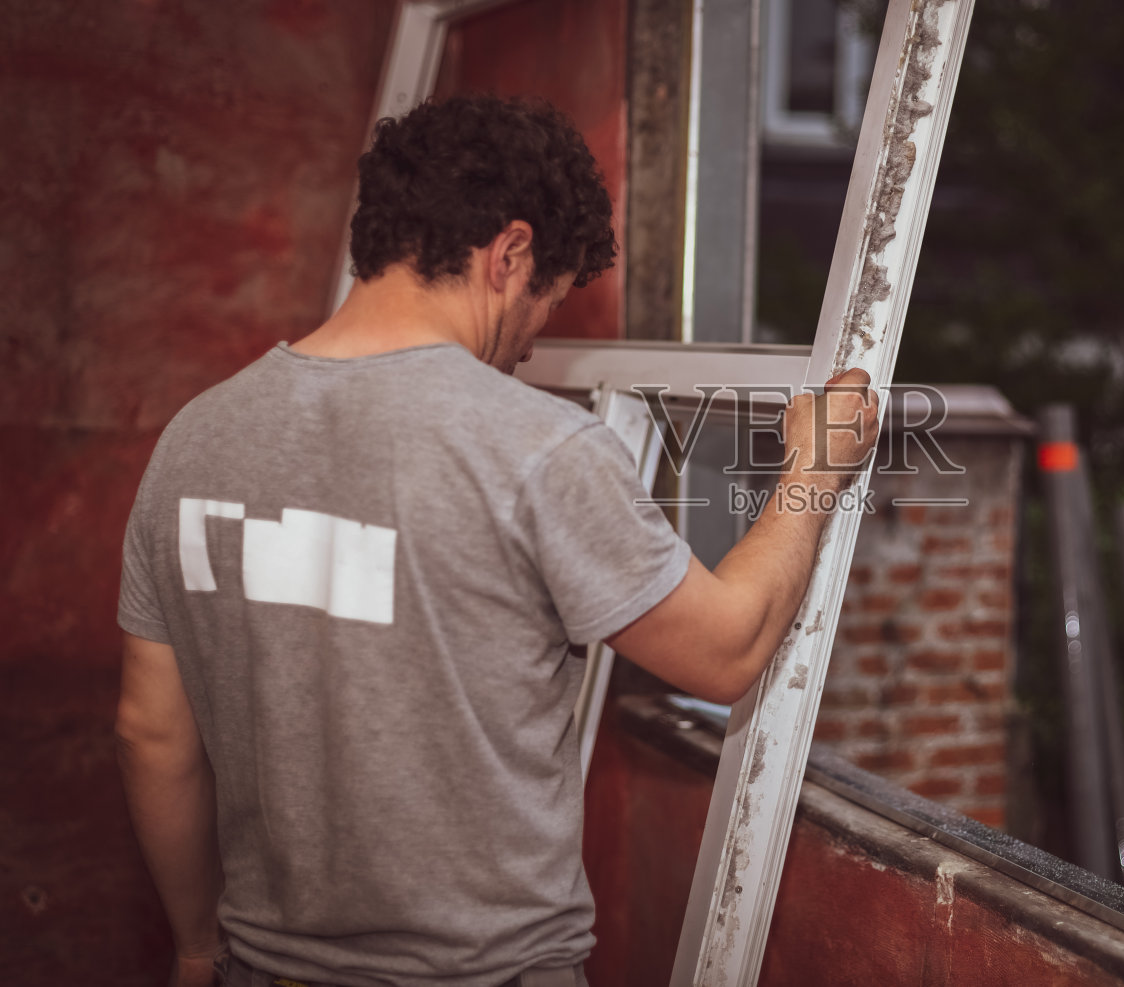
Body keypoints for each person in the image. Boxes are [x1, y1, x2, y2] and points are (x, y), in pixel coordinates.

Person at [114, 94, 879, 987]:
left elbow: (150, 733)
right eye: (546, 300)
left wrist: (196, 945)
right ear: (508, 255)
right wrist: (814, 469)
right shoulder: (538, 449)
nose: (527, 346)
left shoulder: (195, 439)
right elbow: (727, 649)